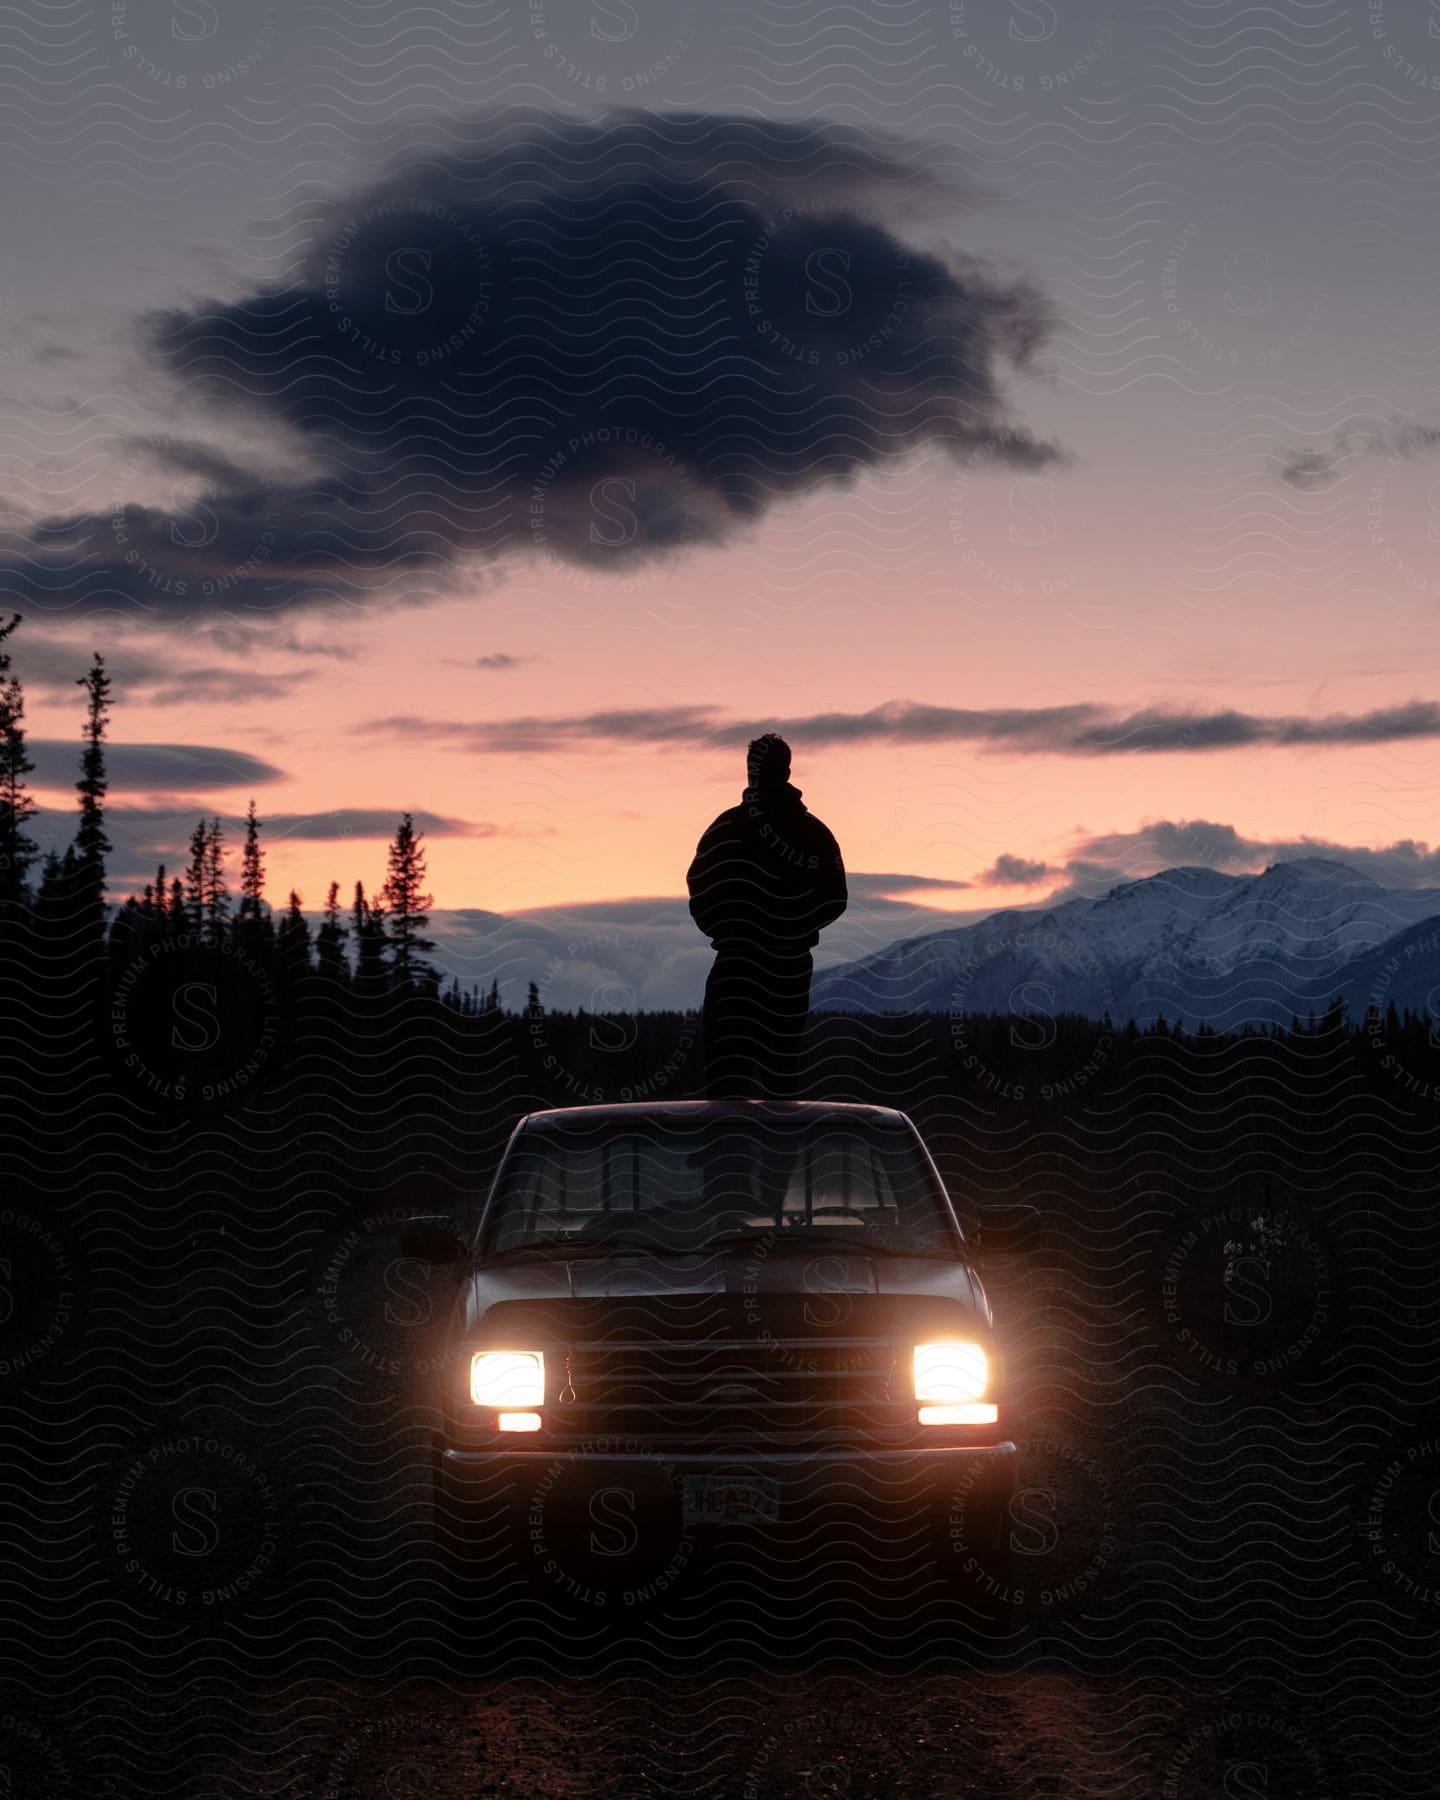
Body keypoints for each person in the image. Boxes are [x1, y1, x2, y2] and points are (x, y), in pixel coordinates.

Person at [686, 733, 847, 1099]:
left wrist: (730, 935)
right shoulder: (815, 834)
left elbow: (699, 886)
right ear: (787, 771)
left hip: (739, 968)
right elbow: (834, 898)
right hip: (786, 970)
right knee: (781, 1080)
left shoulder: (727, 828)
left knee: (726, 1081)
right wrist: (791, 933)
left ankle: (727, 1152)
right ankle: (781, 1154)